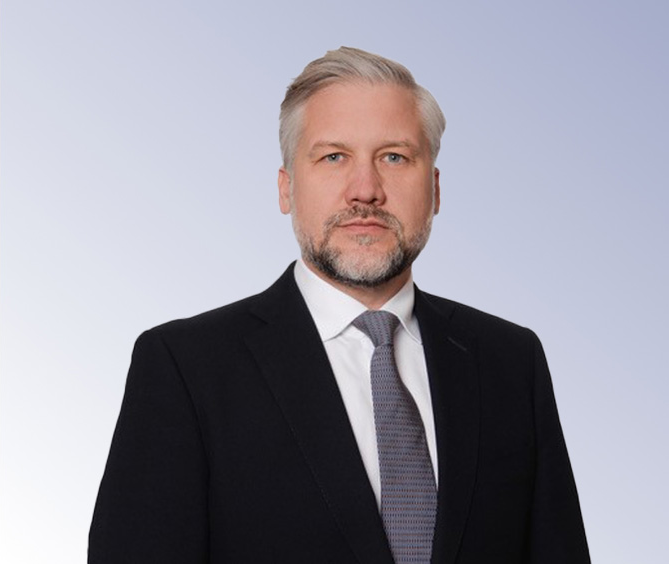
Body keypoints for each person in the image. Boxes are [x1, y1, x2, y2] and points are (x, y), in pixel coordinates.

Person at [89, 47, 590, 563]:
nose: (365, 191)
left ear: (435, 189)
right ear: (286, 188)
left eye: (394, 157)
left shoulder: (510, 362)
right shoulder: (186, 368)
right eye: (333, 157)